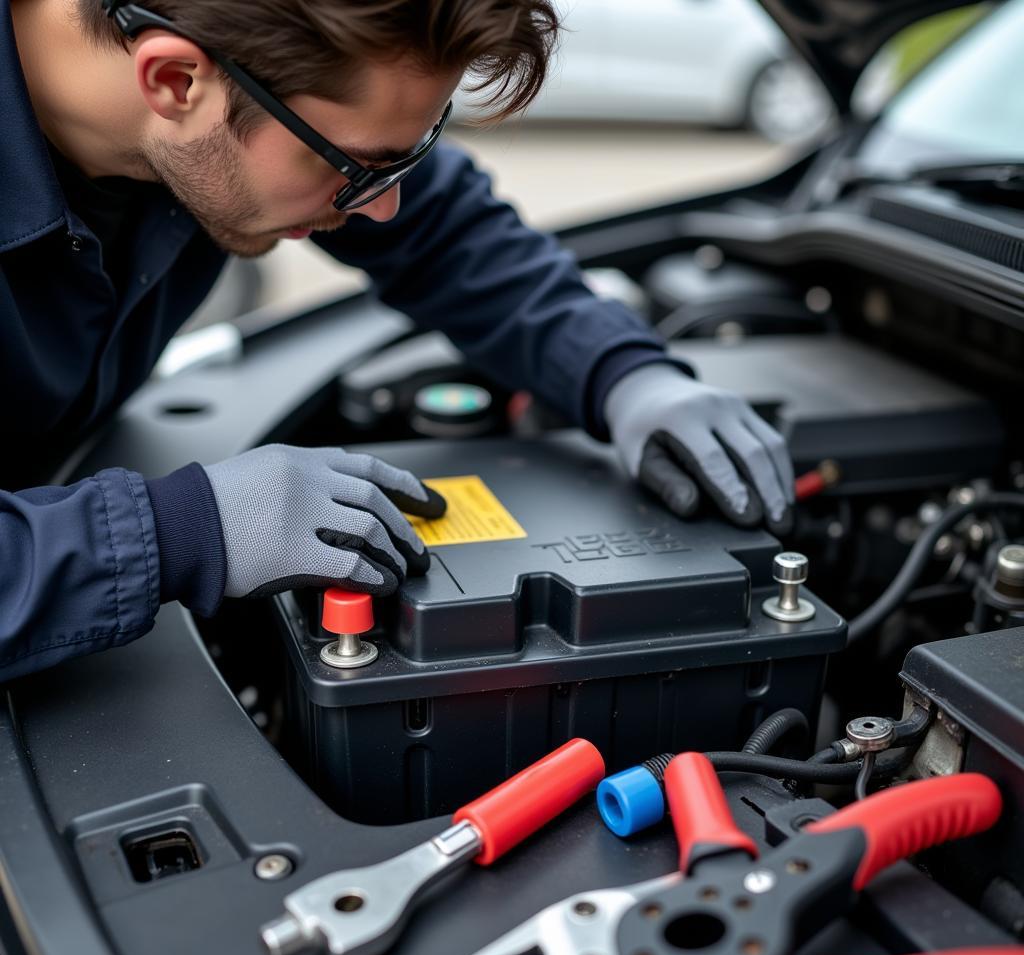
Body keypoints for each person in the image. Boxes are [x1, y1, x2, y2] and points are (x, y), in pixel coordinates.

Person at [0, 0, 794, 683]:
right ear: (175, 82)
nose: (382, 208)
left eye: (408, 153)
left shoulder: (243, 104)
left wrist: (622, 371)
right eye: (360, 168)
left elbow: (444, 233)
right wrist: (178, 529)